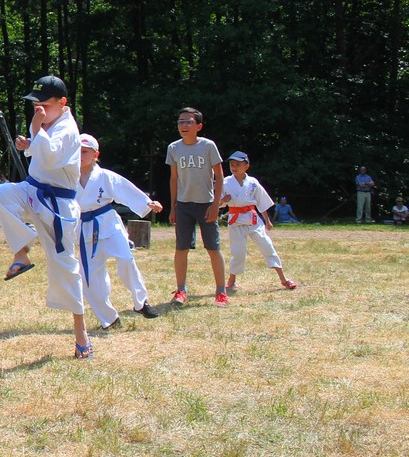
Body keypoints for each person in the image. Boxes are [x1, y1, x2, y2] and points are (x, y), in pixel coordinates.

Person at [0, 75, 92, 359]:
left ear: (63, 103)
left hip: (58, 207)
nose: (40, 112)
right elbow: (39, 154)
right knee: (2, 195)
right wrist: (28, 144)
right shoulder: (49, 123)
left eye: (45, 106)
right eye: (36, 107)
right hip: (33, 191)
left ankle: (81, 334)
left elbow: (49, 156)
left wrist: (35, 130)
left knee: (65, 268)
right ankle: (22, 253)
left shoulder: (68, 129)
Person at [75, 133, 163, 329]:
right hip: (84, 230)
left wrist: (147, 203)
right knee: (89, 279)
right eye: (77, 151)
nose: (80, 155)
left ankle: (141, 302)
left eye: (85, 151)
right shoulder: (66, 177)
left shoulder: (105, 176)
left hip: (108, 225)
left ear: (95, 154)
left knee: (126, 259)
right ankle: (109, 318)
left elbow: (125, 189)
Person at [166, 107, 227, 306]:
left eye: (188, 122)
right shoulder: (174, 148)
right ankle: (181, 290)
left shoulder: (208, 146)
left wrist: (216, 205)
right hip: (184, 205)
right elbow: (174, 179)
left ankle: (221, 291)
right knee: (181, 248)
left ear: (198, 126)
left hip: (206, 205)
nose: (183, 125)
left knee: (213, 248)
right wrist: (173, 207)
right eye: (180, 122)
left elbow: (219, 176)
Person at [221, 151, 297, 294]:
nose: (234, 167)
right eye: (232, 165)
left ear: (246, 166)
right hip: (236, 220)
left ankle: (283, 278)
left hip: (253, 219)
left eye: (238, 164)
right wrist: (223, 201)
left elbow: (262, 202)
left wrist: (267, 221)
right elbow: (217, 203)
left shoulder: (253, 183)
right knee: (238, 252)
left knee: (267, 245)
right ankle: (231, 281)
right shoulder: (225, 182)